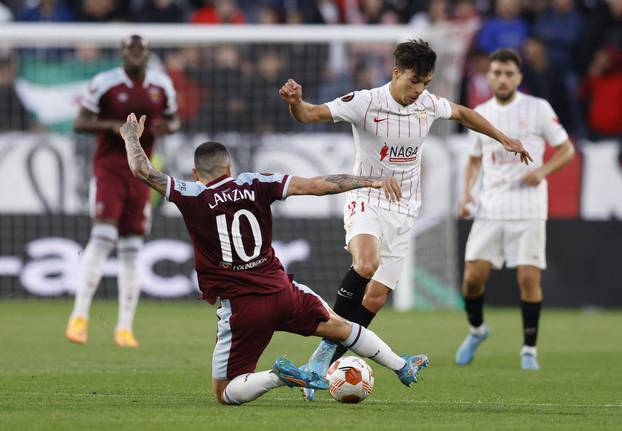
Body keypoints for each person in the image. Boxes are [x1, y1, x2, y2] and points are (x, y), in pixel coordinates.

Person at [278, 38, 532, 400]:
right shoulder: (365, 103)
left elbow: (462, 113)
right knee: (366, 264)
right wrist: (295, 104)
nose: (419, 91)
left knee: (377, 298)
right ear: (396, 73)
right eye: (414, 81)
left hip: (405, 209)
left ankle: (321, 359)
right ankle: (322, 355)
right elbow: (310, 114)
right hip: (366, 197)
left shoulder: (427, 105)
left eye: (426, 83)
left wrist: (504, 138)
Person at [119, 112, 430, 405]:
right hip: (284, 294)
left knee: (224, 392)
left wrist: (132, 138)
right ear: (230, 169)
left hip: (242, 308)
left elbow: (142, 170)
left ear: (196, 174)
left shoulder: (192, 193)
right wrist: (369, 181)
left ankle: (278, 376)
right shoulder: (256, 182)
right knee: (343, 327)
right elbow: (316, 185)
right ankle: (402, 365)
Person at [455, 49, 575, 370]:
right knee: (471, 280)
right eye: (497, 73)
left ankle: (529, 350)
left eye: (509, 73)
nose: (503, 79)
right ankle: (477, 330)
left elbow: (567, 149)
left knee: (527, 278)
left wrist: (542, 172)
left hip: (528, 208)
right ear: (489, 76)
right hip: (490, 208)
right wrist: (466, 193)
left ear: (519, 77)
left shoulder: (537, 109)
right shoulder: (480, 112)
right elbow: (475, 157)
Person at [65, 35, 180, 348]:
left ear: (147, 54)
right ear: (122, 54)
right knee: (102, 237)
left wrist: (157, 129)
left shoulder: (161, 86)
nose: (135, 55)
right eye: (130, 50)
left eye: (140, 50)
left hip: (141, 172)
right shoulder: (104, 83)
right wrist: (115, 127)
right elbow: (79, 122)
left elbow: (174, 121)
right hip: (110, 169)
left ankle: (125, 327)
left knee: (132, 246)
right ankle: (79, 316)